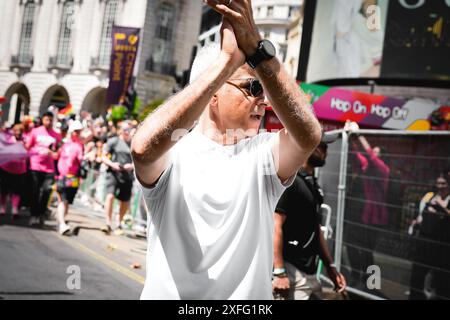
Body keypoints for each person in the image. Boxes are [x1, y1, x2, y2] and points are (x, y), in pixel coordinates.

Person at [131, 0, 322, 300]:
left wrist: (258, 50)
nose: (264, 101)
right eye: (254, 88)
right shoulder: (174, 152)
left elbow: (309, 135)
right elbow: (142, 149)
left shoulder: (262, 153)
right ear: (214, 93)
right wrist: (225, 62)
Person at [272, 133, 347, 300]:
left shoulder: (313, 185)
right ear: (308, 146)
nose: (326, 152)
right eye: (322, 147)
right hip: (292, 272)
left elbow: (316, 228)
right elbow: (274, 226)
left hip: (311, 273)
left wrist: (331, 266)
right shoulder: (291, 181)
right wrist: (279, 272)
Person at [344, 121, 390, 287]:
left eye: (377, 154)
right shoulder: (366, 167)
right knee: (350, 245)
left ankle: (371, 283)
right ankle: (358, 277)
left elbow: (369, 155)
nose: (373, 155)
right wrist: (349, 136)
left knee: (367, 251)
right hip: (359, 214)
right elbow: (357, 155)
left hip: (373, 218)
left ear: (382, 158)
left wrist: (359, 134)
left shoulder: (383, 169)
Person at [409, 174, 450, 300]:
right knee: (417, 275)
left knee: (441, 279)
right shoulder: (429, 196)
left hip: (443, 245)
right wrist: (416, 222)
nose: (440, 186)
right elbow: (420, 215)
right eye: (438, 183)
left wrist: (442, 209)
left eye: (443, 184)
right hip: (424, 242)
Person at [26, 111, 62, 226]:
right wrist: (37, 151)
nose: (49, 122)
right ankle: (34, 215)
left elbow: (58, 153)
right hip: (35, 166)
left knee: (47, 191)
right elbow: (27, 147)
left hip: (49, 169)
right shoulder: (35, 132)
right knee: (35, 191)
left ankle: (41, 213)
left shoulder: (56, 135)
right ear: (43, 120)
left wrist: (52, 153)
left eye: (51, 120)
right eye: (47, 119)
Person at [101, 121, 135, 235]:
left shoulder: (134, 144)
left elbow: (139, 161)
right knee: (110, 197)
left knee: (124, 201)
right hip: (113, 173)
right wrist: (113, 164)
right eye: (125, 129)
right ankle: (108, 223)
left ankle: (119, 223)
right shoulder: (114, 141)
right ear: (120, 130)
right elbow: (103, 157)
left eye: (129, 129)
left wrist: (131, 166)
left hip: (127, 176)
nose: (127, 132)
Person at [55, 120, 85, 235]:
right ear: (71, 132)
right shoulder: (63, 143)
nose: (77, 134)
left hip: (73, 178)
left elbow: (81, 160)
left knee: (67, 201)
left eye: (79, 132)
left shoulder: (80, 146)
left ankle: (62, 221)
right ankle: (62, 224)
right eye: (76, 131)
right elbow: (56, 156)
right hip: (62, 177)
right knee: (62, 200)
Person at [0, 124, 27, 218]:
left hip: (20, 170)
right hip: (7, 168)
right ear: (13, 131)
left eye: (20, 131)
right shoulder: (9, 140)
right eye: (16, 130)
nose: (18, 133)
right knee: (4, 190)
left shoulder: (25, 142)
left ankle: (14, 209)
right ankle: (2, 207)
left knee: (17, 191)